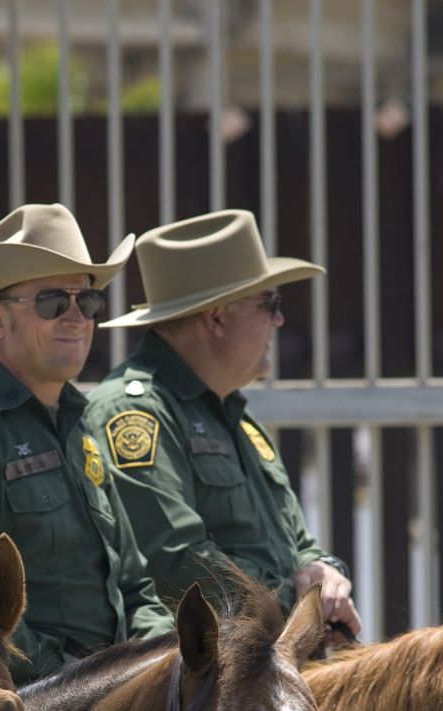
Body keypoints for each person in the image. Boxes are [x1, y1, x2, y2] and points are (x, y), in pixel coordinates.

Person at [0, 203, 171, 683]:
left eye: (87, 302)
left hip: (117, 696)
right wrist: (87, 682)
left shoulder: (77, 426)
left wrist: (164, 656)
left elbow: (134, 583)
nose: (76, 317)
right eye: (51, 302)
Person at [88, 208, 361, 638]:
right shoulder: (132, 412)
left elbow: (294, 542)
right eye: (269, 303)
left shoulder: (231, 414)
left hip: (264, 661)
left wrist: (324, 573)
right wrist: (299, 605)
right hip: (202, 683)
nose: (279, 320)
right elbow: (176, 563)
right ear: (215, 318)